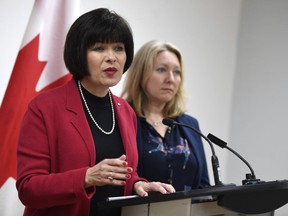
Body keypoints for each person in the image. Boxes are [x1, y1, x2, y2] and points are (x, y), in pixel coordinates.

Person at [16, 9, 175, 216]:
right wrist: (86, 177)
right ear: (79, 53)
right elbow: (29, 188)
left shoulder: (125, 110)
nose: (112, 58)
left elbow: (124, 173)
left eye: (119, 48)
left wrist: (137, 184)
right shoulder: (44, 107)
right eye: (99, 48)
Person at [121, 40, 210, 192]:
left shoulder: (189, 125)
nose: (170, 79)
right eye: (162, 70)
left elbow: (203, 185)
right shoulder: (123, 119)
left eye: (177, 72)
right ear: (141, 74)